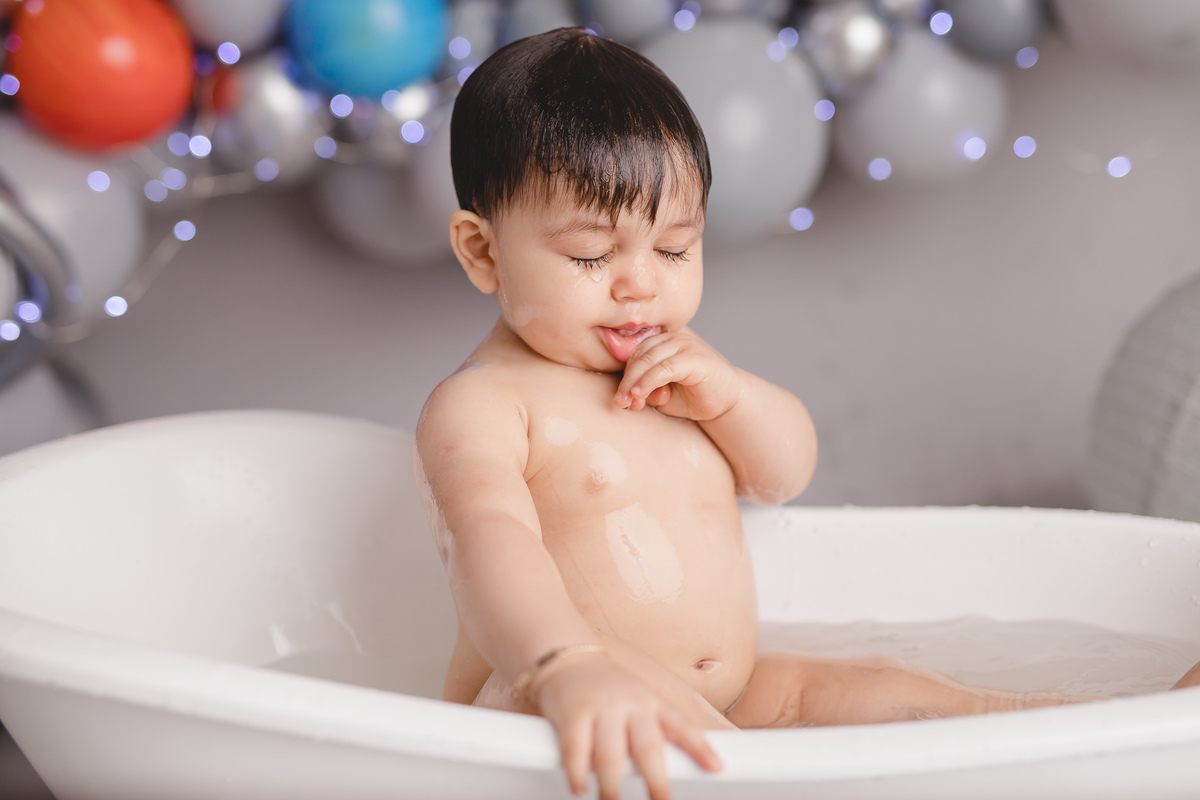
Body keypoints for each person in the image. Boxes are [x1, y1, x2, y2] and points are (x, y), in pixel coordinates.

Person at [414, 27, 1200, 800]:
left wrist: (730, 397)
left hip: (740, 695)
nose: (640, 284)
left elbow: (782, 473)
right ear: (482, 252)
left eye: (675, 248)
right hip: (547, 708)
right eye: (592, 255)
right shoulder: (483, 405)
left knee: (890, 694)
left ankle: (1105, 732)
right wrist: (564, 666)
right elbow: (492, 541)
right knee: (685, 725)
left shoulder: (677, 368)